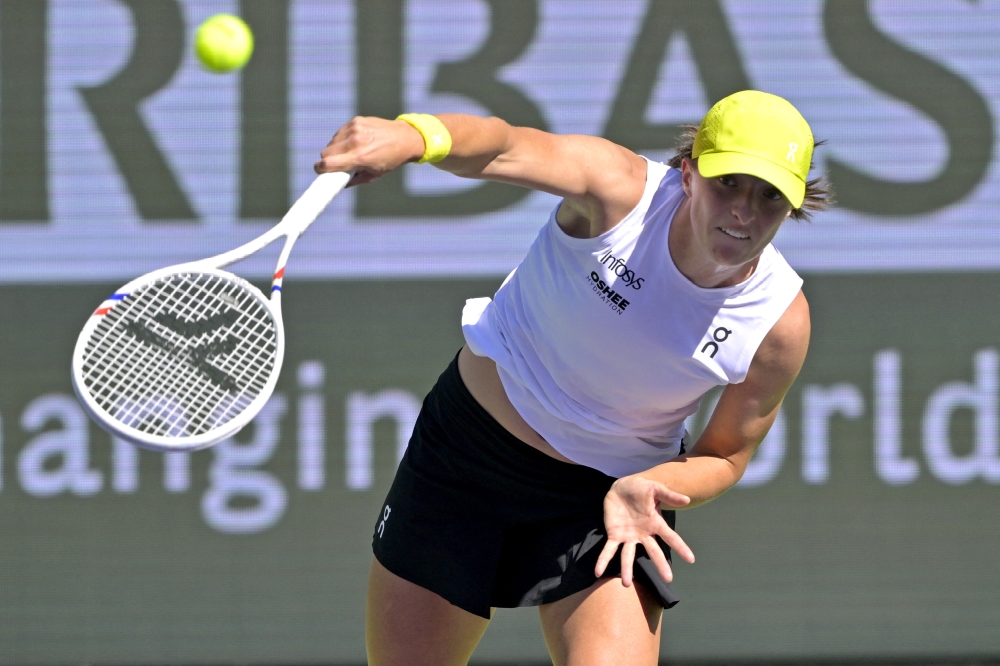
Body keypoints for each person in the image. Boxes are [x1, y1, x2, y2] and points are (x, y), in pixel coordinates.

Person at [315, 90, 831, 666]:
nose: (743, 211)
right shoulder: (616, 191)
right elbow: (506, 146)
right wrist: (417, 136)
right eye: (727, 183)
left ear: (793, 207)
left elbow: (728, 454)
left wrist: (650, 483)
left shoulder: (780, 323)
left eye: (769, 197)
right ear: (687, 175)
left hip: (606, 502)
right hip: (465, 460)